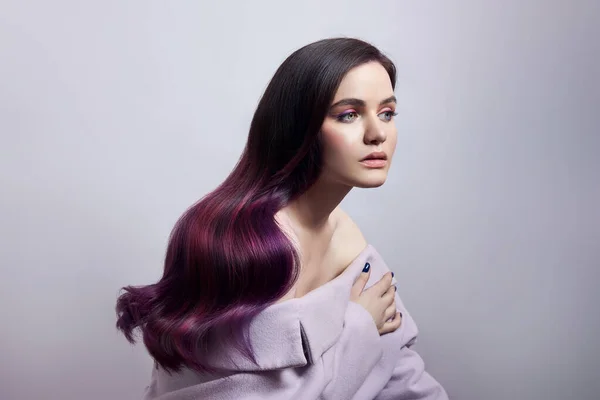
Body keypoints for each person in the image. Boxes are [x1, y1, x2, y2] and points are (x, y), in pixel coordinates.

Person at [116, 37, 449, 400]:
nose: (377, 134)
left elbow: (398, 365)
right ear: (298, 126)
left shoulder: (346, 237)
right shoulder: (243, 244)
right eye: (349, 114)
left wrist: (362, 335)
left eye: (386, 113)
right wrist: (358, 329)